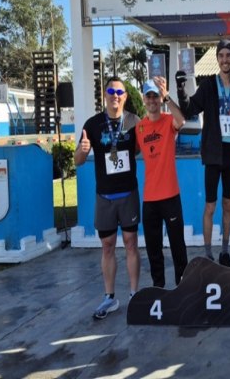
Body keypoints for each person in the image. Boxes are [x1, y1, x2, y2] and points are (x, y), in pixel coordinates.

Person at [74, 76, 141, 320]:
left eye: (119, 91)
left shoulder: (134, 121)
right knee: (108, 247)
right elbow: (78, 161)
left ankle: (135, 294)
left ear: (125, 96)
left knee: (132, 244)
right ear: (105, 94)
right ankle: (110, 297)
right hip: (105, 197)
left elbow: (140, 149)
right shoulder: (92, 124)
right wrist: (81, 153)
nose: (115, 95)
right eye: (111, 90)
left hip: (128, 194)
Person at [176, 40, 230, 267]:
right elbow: (190, 108)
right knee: (210, 206)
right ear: (217, 59)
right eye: (221, 55)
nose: (225, 59)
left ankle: (224, 252)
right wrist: (180, 89)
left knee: (228, 205)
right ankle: (208, 254)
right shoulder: (208, 86)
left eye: (228, 55)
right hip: (214, 154)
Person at [136, 77, 188, 287]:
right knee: (153, 249)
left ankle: (183, 287)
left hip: (170, 196)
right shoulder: (139, 128)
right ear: (143, 100)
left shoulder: (168, 120)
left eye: (155, 96)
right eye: (148, 96)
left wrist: (167, 96)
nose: (152, 100)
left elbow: (182, 121)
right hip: (150, 199)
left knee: (177, 246)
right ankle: (158, 288)